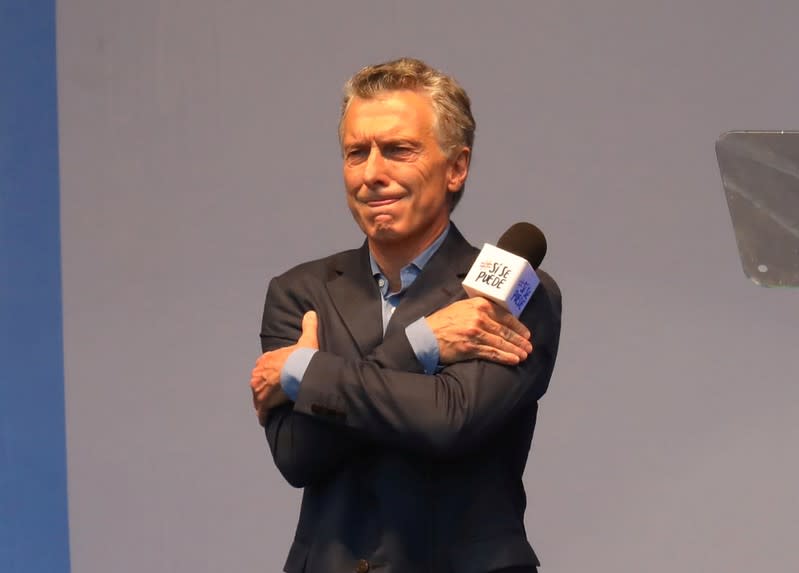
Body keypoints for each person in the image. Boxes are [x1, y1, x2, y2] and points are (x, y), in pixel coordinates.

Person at [250, 58, 562, 573]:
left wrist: (307, 374)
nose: (373, 174)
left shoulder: (512, 292)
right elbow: (298, 452)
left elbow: (450, 419)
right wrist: (424, 345)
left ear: (456, 166)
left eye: (398, 150)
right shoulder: (299, 293)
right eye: (356, 153)